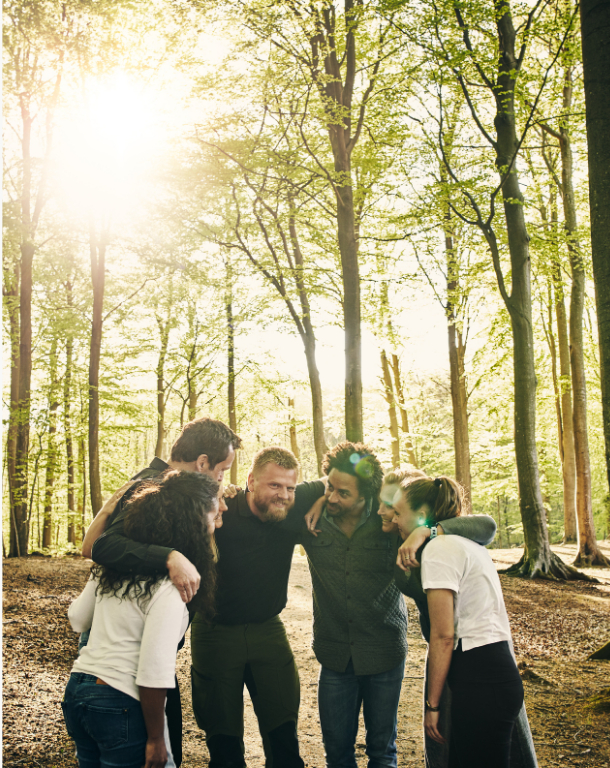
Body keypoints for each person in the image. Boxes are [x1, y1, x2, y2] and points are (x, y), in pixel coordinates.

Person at [302, 450, 498, 768]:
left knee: (382, 750)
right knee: (337, 753)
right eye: (330, 488)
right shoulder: (312, 521)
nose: (333, 497)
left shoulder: (392, 526)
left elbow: (485, 526)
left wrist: (427, 530)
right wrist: (320, 495)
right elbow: (276, 493)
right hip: (334, 655)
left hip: (386, 653)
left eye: (343, 492)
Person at [84, 416, 241, 766]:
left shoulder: (173, 487)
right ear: (202, 462)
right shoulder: (152, 486)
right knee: (154, 749)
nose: (221, 479)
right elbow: (101, 547)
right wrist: (169, 556)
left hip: (141, 636)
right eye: (221, 470)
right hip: (125, 649)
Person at [62, 471, 219, 768]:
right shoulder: (171, 590)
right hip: (119, 702)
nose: (216, 525)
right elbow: (152, 671)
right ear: (193, 525)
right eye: (212, 518)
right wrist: (157, 740)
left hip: (78, 692)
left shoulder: (111, 569)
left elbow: (77, 619)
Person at [190, 446, 326, 768]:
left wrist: (321, 497)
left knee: (283, 737)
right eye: (274, 485)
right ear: (251, 481)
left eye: (291, 487)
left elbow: (341, 476)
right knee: (223, 744)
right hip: (214, 631)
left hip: (268, 630)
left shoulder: (294, 505)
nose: (284, 494)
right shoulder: (221, 507)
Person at [392, 475, 525, 768]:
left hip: (481, 679)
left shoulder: (439, 550)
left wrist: (432, 706)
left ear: (423, 515)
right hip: (494, 672)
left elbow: (443, 636)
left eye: (399, 512)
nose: (394, 518)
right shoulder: (468, 543)